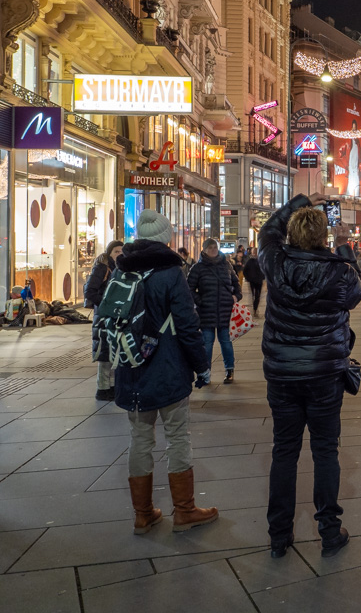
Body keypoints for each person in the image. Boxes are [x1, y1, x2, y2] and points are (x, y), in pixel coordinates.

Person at [259, 193, 361, 560]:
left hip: (282, 373)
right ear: (323, 237)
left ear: (290, 235)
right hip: (324, 374)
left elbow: (266, 231)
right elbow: (359, 291)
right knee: (325, 451)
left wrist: (300, 201)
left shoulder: (275, 261)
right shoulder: (338, 270)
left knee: (284, 451)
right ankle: (329, 532)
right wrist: (344, 245)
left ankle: (278, 534)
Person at [101, 209, 217, 535]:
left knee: (139, 440)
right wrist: (201, 366)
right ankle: (184, 510)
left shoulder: (120, 271)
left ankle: (143, 514)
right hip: (167, 368)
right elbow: (188, 324)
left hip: (131, 370)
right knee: (178, 437)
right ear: (165, 237)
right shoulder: (170, 273)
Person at [187, 239, 242, 384]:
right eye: (209, 248)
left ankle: (229, 370)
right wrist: (200, 301)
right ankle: (205, 373)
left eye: (214, 247)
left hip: (225, 310)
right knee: (207, 343)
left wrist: (236, 296)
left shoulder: (226, 265)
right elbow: (189, 289)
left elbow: (236, 284)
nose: (213, 250)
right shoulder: (197, 268)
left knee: (226, 342)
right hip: (206, 312)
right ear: (204, 250)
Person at [86, 239, 124, 401]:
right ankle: (102, 388)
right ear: (109, 253)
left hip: (115, 317)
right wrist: (105, 303)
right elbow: (90, 291)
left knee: (114, 352)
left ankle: (113, 387)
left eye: (122, 252)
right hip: (103, 317)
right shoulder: (102, 268)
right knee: (105, 353)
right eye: (116, 251)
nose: (119, 254)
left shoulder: (121, 269)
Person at [242, 252, 266, 318]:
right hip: (257, 281)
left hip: (253, 281)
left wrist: (248, 278)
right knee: (257, 296)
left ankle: (254, 309)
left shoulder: (250, 262)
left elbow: (245, 271)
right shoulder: (261, 261)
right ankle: (255, 309)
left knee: (254, 295)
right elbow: (264, 270)